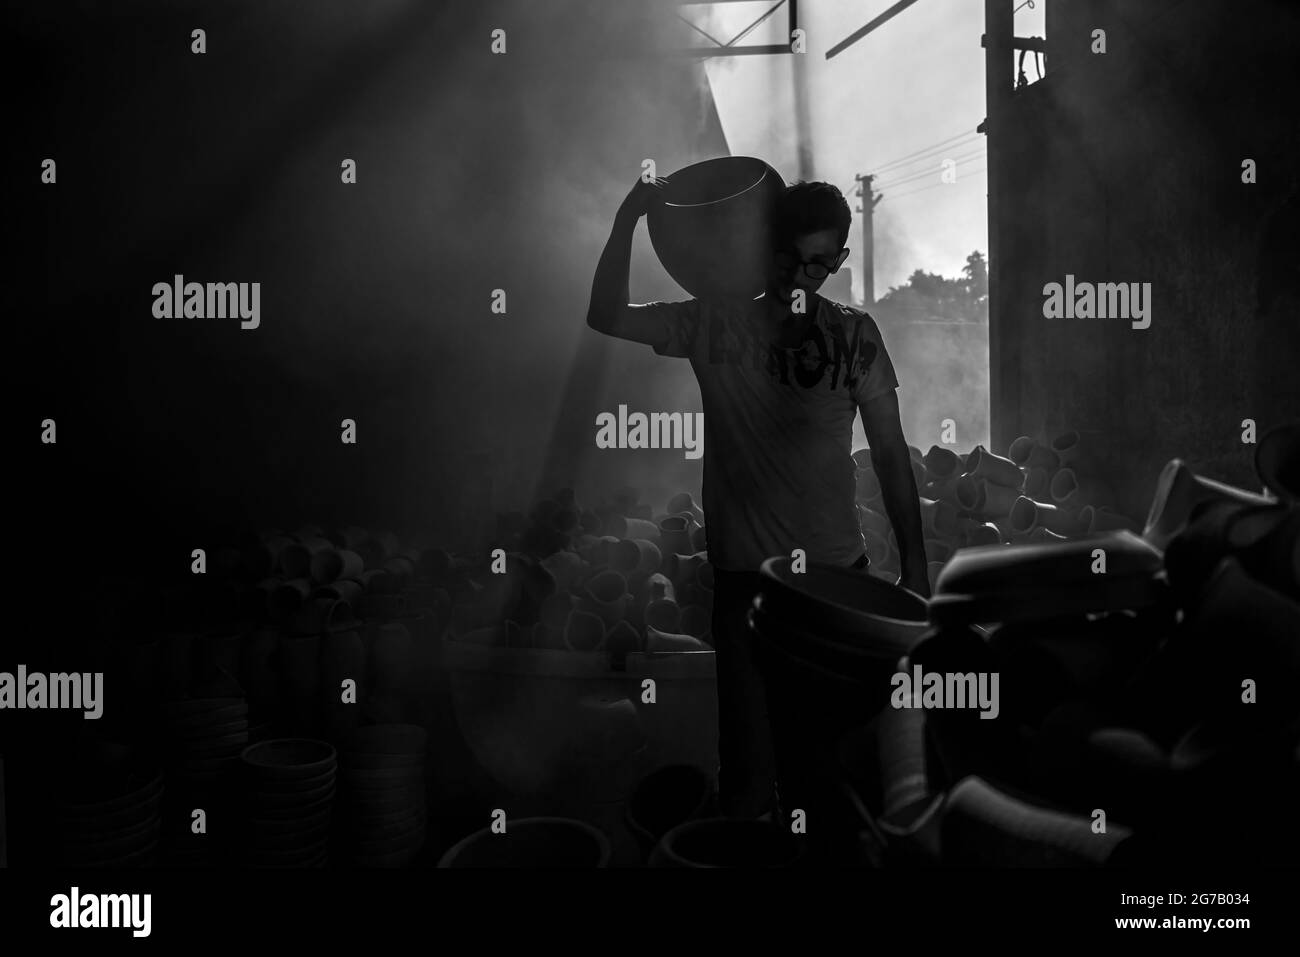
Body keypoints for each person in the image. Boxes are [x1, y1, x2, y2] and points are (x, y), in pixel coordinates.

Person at [586, 174, 929, 819]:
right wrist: (629, 217)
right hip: (746, 591)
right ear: (764, 248)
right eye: (788, 259)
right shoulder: (712, 323)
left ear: (839, 261)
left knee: (826, 774)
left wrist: (915, 570)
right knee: (747, 778)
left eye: (819, 264)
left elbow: (890, 453)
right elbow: (606, 313)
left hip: (835, 587)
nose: (801, 277)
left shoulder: (856, 335)